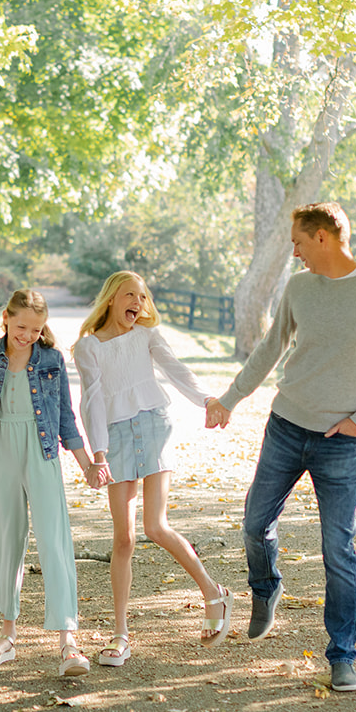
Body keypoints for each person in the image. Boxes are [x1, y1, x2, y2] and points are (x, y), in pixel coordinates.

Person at [205, 202, 356, 694]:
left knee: (337, 549)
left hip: (339, 442)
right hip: (285, 425)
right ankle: (267, 587)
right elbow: (270, 348)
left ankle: (342, 657)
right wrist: (230, 399)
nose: (294, 252)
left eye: (298, 242)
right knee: (255, 524)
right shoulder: (300, 287)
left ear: (323, 237)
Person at [71, 271, 234, 667]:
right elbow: (91, 401)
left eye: (143, 298)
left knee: (155, 526)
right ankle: (121, 635)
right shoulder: (88, 347)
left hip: (155, 422)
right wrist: (99, 453)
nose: (138, 304)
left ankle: (214, 593)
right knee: (123, 537)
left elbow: (177, 370)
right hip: (115, 435)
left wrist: (207, 399)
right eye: (131, 295)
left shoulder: (148, 336)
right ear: (111, 298)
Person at [0, 289, 111, 676]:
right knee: (4, 538)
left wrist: (87, 464)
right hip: (0, 450)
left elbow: (65, 418)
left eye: (36, 329)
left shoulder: (51, 359)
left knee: (54, 539)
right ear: (6, 318)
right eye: (21, 326)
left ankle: (68, 642)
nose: (27, 335)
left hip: (41, 449)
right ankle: (7, 636)